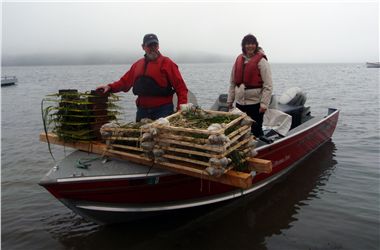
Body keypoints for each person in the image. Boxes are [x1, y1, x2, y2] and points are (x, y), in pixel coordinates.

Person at [96, 33, 188, 122]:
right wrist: (109, 87)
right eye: (149, 45)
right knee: (141, 135)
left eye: (155, 45)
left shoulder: (167, 63)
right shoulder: (137, 65)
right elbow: (124, 82)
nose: (152, 48)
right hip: (142, 111)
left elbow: (181, 88)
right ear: (143, 47)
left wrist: (181, 109)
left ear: (158, 46)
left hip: (163, 110)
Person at [227, 34, 273, 137]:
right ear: (243, 46)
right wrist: (230, 101)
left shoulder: (262, 61)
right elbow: (232, 83)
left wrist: (264, 104)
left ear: (256, 45)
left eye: (252, 43)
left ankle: (260, 149)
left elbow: (268, 85)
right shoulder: (238, 60)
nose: (250, 46)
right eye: (247, 44)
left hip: (255, 104)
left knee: (256, 130)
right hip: (240, 104)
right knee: (240, 131)